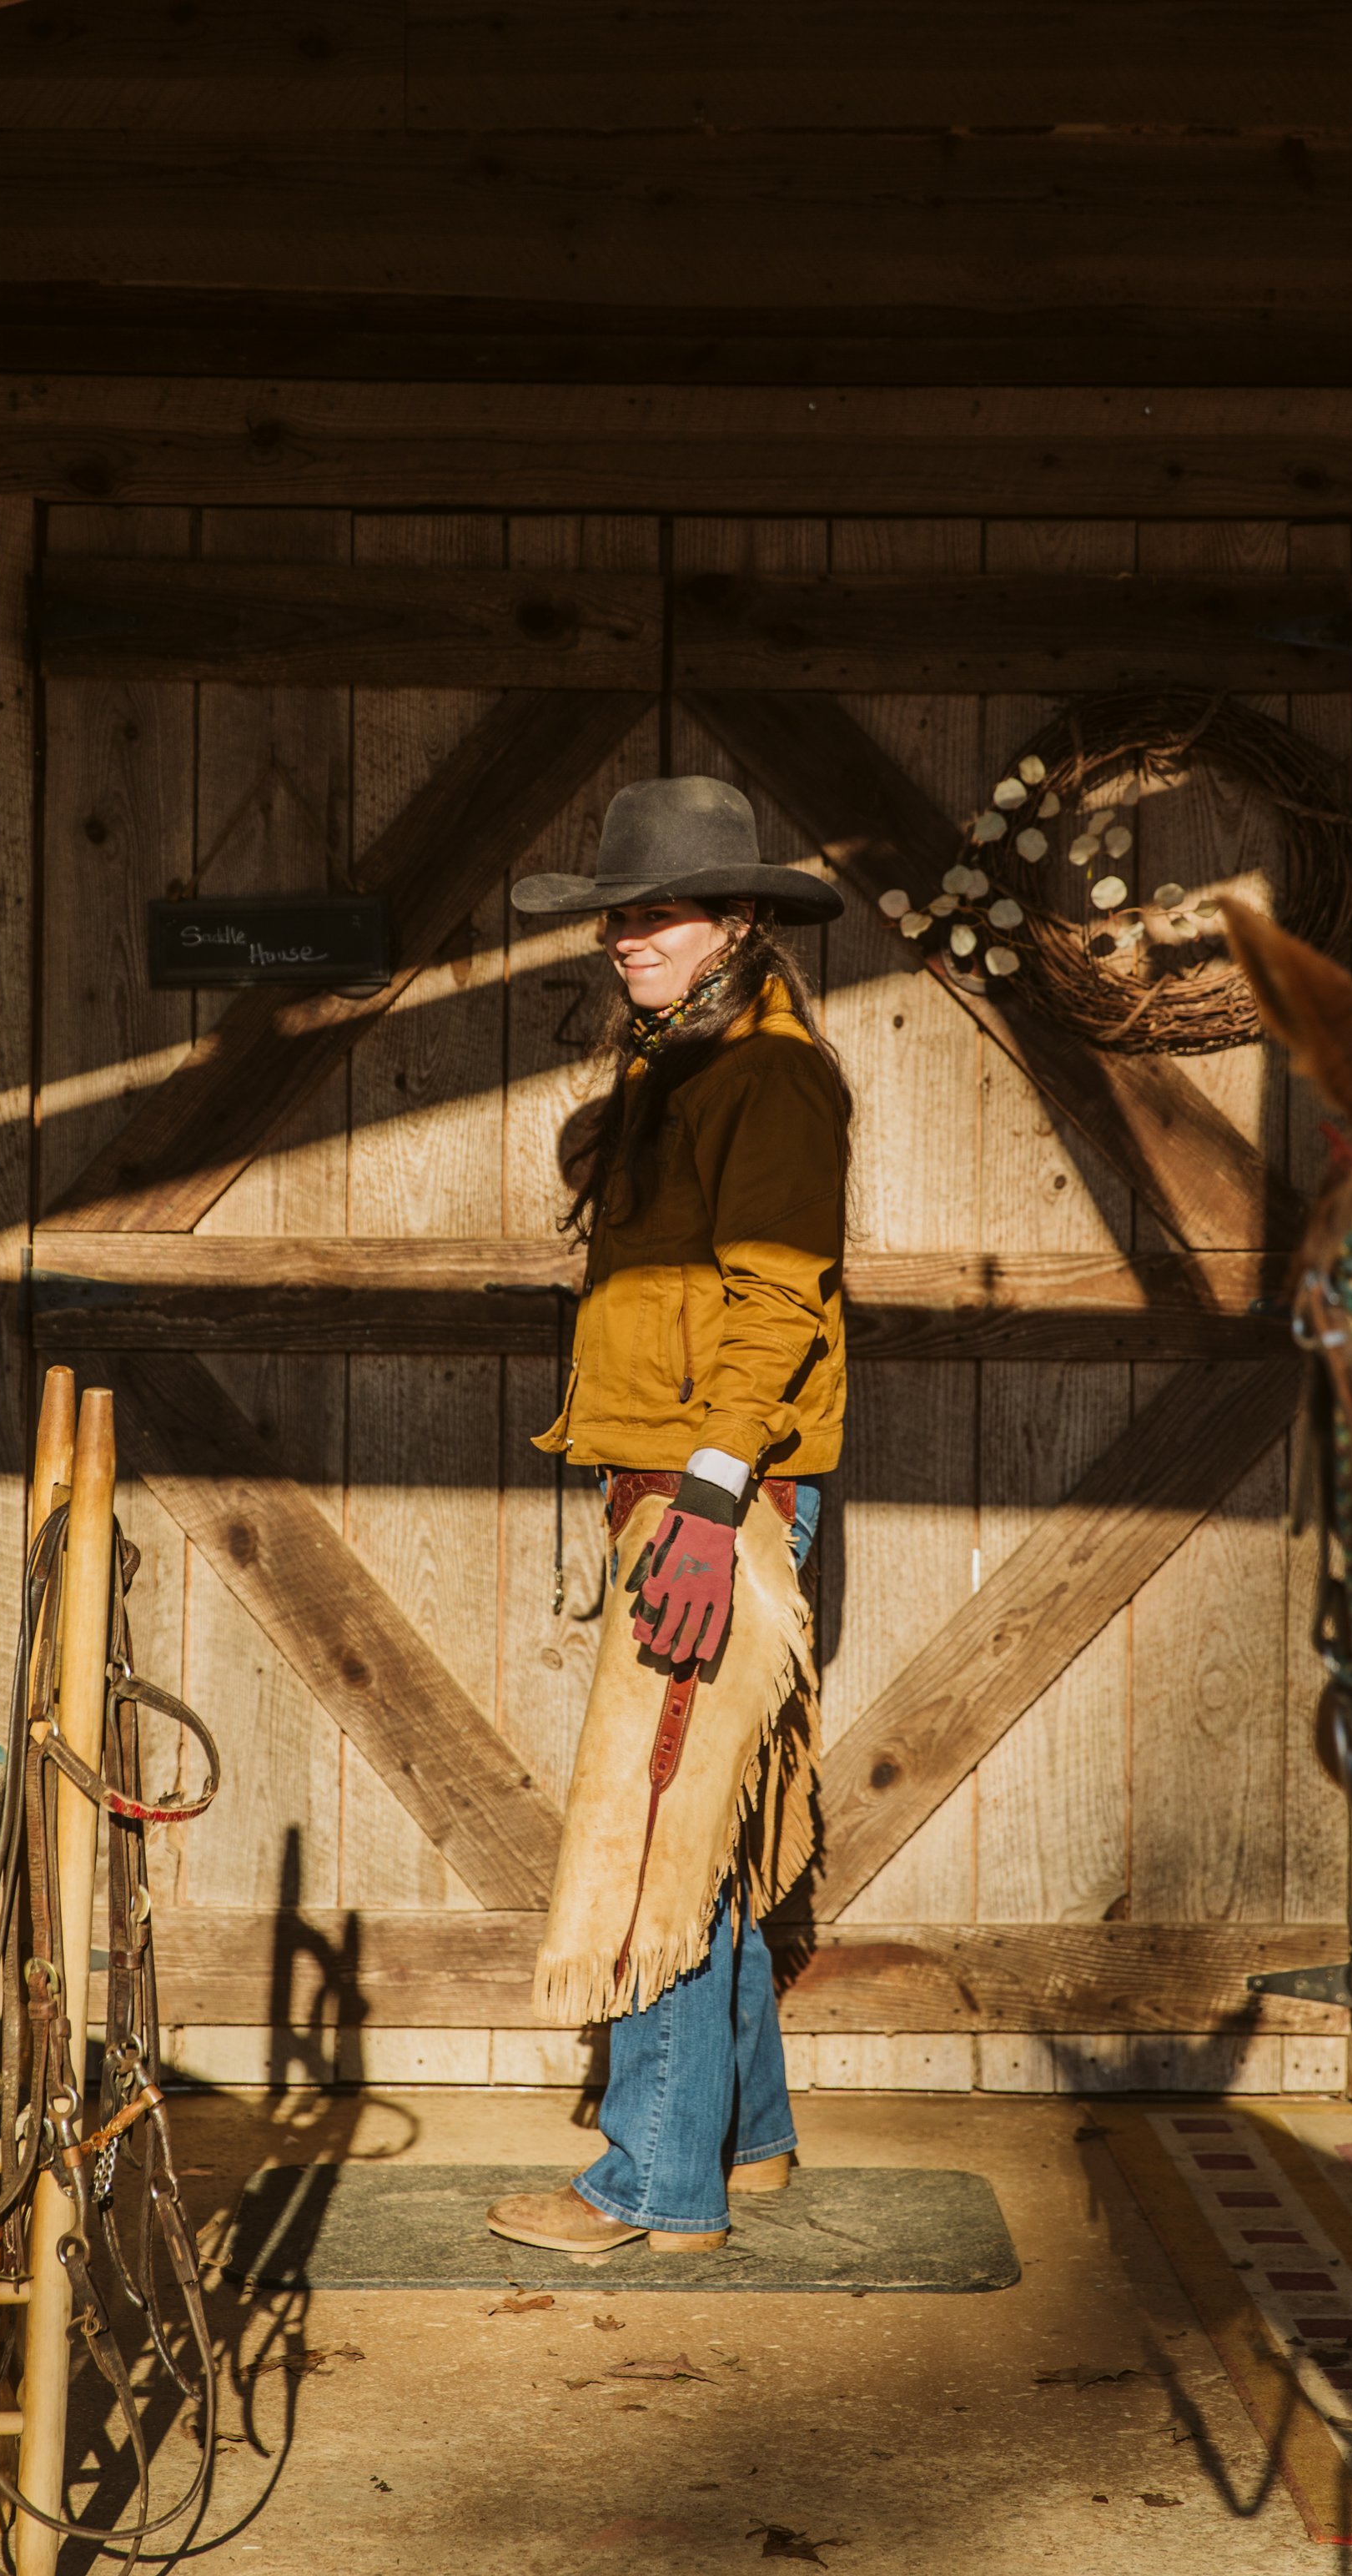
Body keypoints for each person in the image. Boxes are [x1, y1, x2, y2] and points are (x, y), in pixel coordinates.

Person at [485, 776, 851, 2257]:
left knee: (655, 1834)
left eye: (663, 914)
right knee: (706, 1826)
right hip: (681, 1487)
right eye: (618, 916)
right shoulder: (684, 1062)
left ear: (741, 920)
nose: (629, 938)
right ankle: (746, 2139)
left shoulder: (771, 1079)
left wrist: (708, 1503)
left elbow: (779, 1304)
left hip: (721, 1501)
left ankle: (653, 2185)